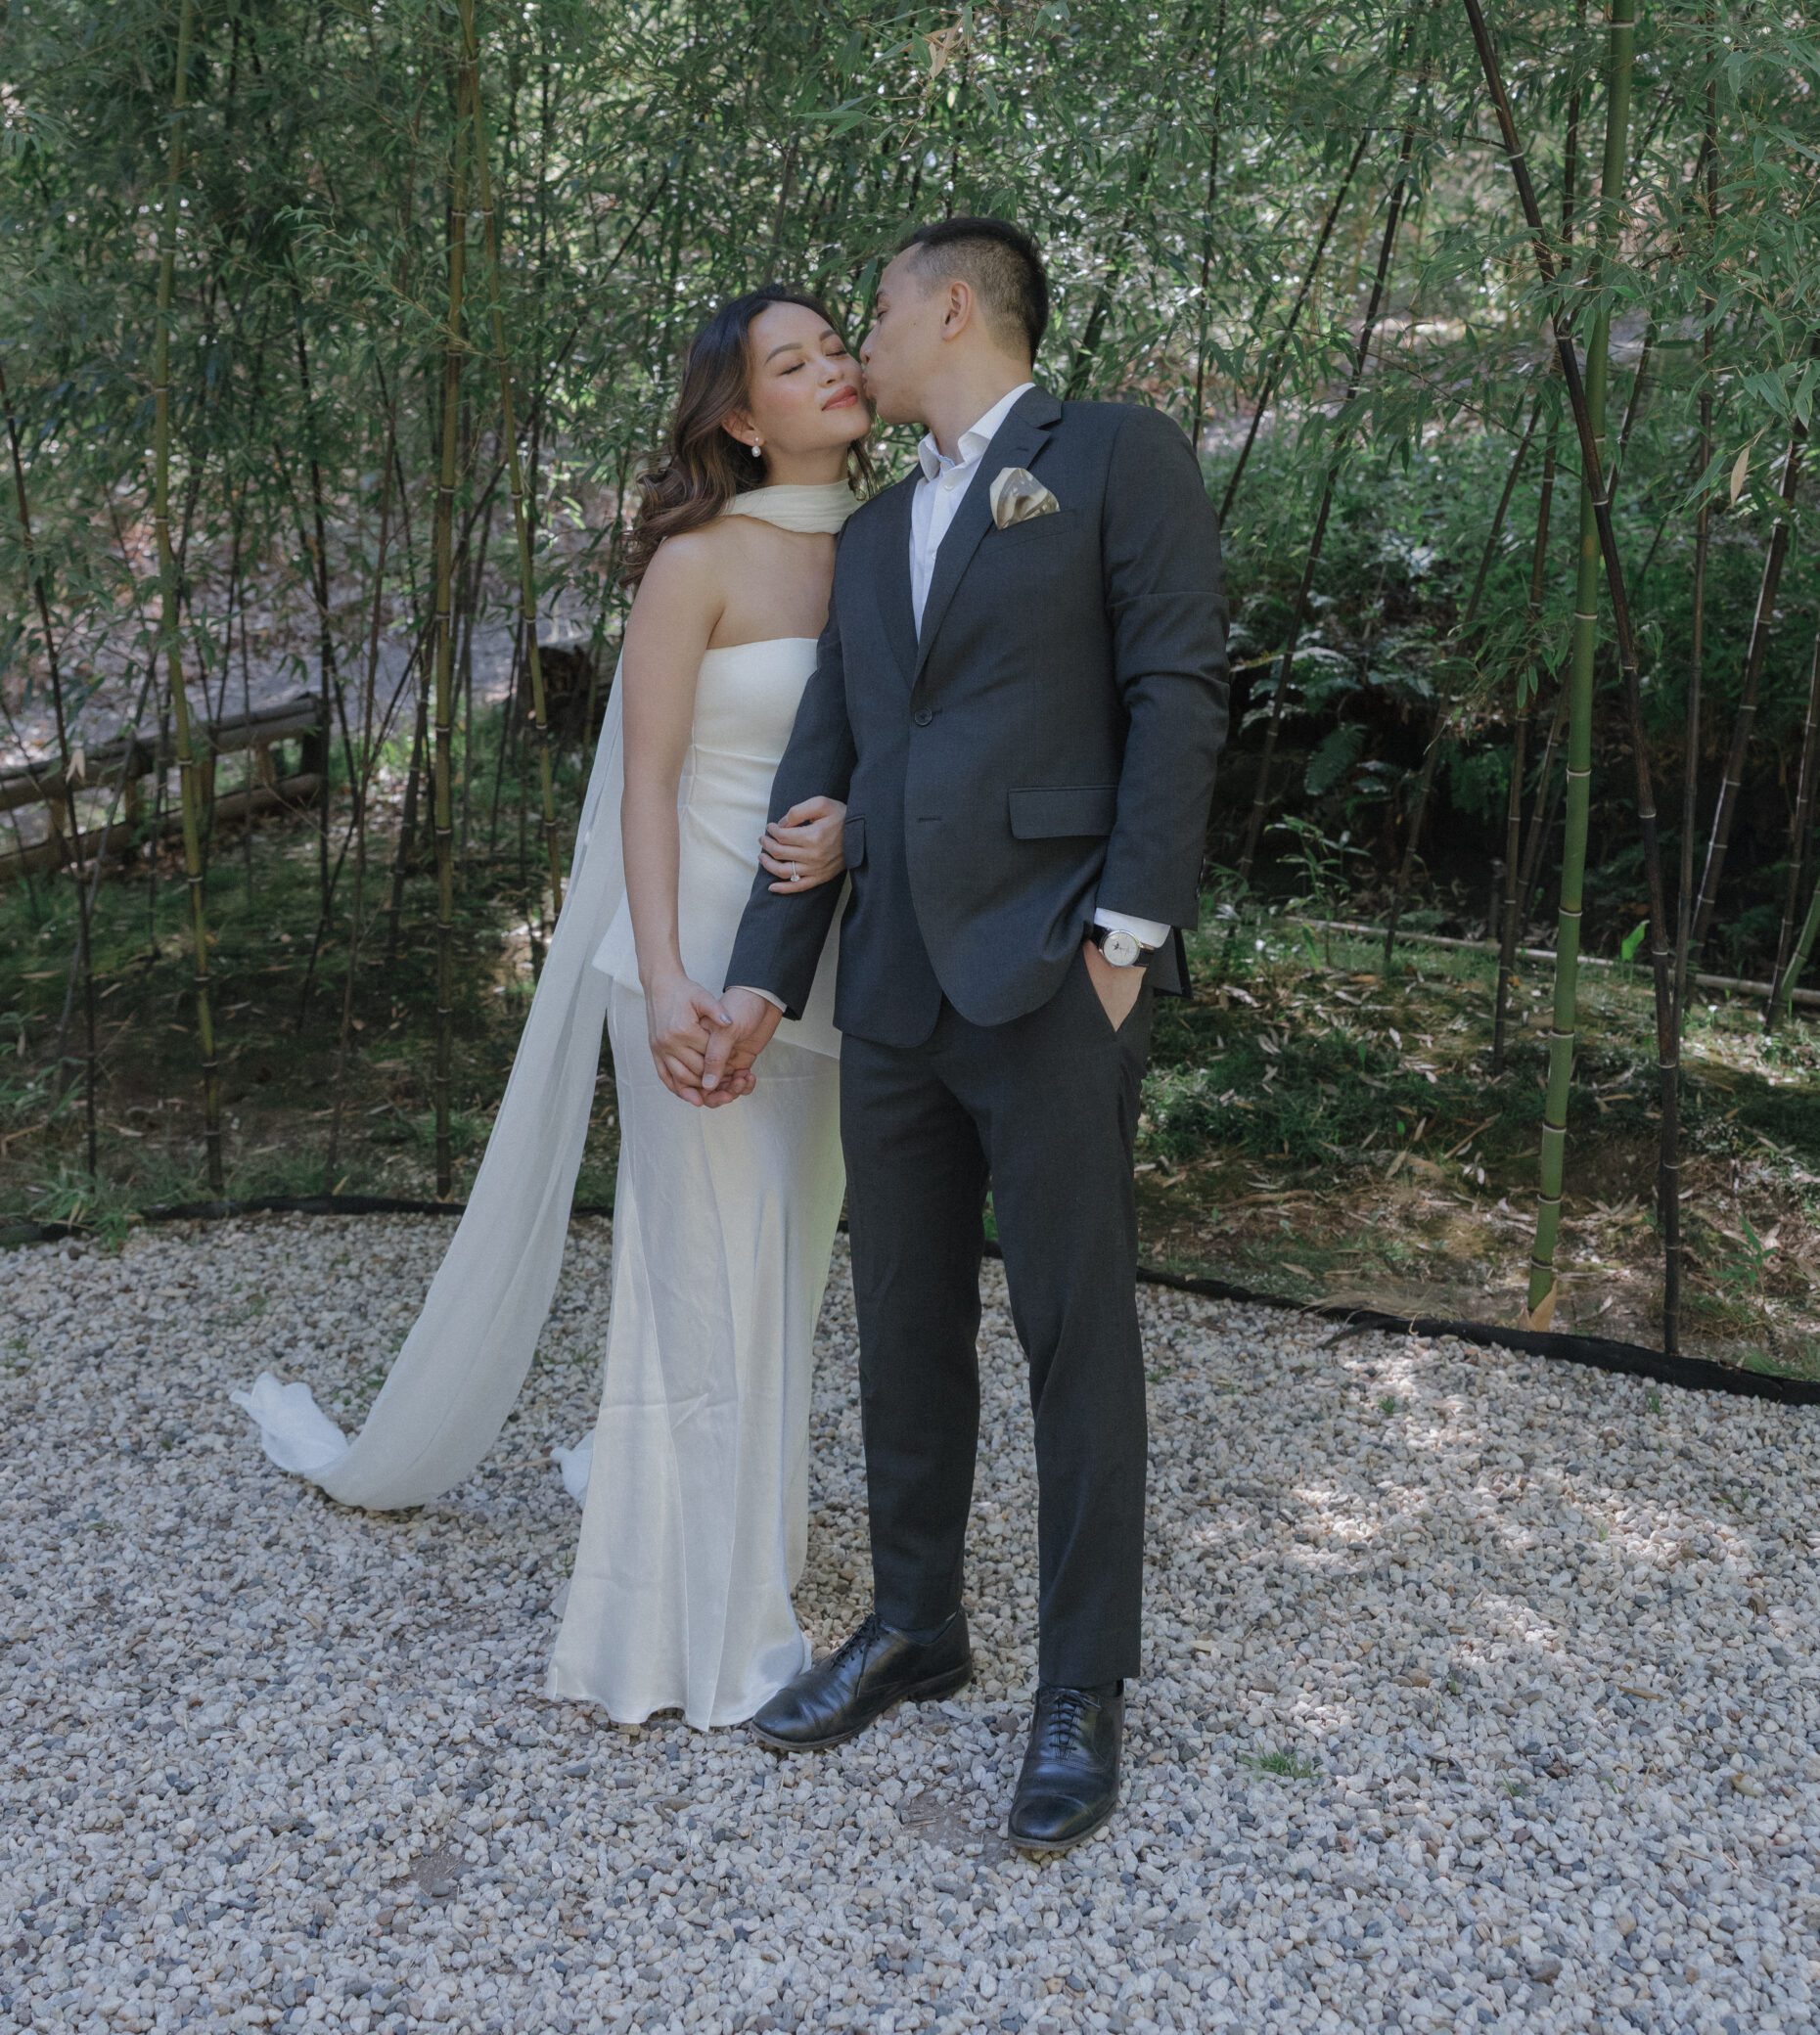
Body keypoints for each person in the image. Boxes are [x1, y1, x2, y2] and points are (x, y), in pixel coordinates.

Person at [235, 285, 872, 1730]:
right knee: (698, 1278)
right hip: (690, 963)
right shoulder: (697, 560)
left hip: (826, 970)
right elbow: (640, 782)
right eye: (793, 361)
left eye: (837, 345)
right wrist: (662, 985)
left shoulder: (904, 543)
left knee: (786, 1263)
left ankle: (745, 1548)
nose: (832, 368)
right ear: (735, 414)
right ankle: (678, 1631)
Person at [700, 218, 1229, 1851]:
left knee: (1076, 1337)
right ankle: (918, 1627)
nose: (860, 336)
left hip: (1058, 974)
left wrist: (1126, 935)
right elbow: (832, 754)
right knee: (904, 1320)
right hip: (900, 989)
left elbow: (1179, 689)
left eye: (874, 307)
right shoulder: (873, 539)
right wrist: (767, 973)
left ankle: (1082, 1685)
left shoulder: (1118, 457)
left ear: (950, 306)